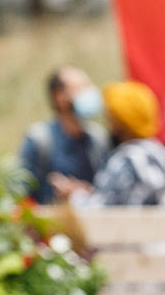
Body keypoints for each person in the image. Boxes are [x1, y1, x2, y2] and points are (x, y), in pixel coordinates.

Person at [51, 81, 165, 208]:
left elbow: (100, 211)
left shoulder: (127, 160)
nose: (109, 125)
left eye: (110, 119)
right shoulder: (159, 152)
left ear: (120, 124)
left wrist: (73, 195)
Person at [19, 68, 111, 205]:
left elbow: (108, 191)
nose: (88, 92)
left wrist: (82, 191)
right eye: (80, 88)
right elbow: (20, 191)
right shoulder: (40, 139)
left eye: (88, 85)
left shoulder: (98, 139)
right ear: (59, 97)